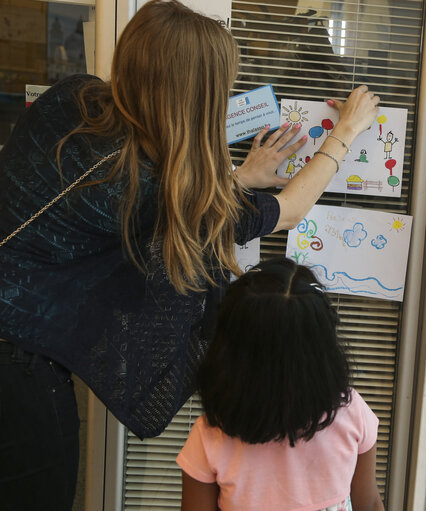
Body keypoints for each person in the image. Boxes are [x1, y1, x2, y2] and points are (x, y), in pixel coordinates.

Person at [0, 1, 379, 507]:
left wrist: (235, 180)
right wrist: (346, 131)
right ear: (197, 97)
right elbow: (289, 210)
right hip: (16, 375)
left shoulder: (71, 99)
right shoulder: (159, 193)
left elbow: (110, 190)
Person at [176, 258, 384, 511]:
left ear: (228, 351)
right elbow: (370, 504)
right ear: (324, 348)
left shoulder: (211, 434)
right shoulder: (352, 413)